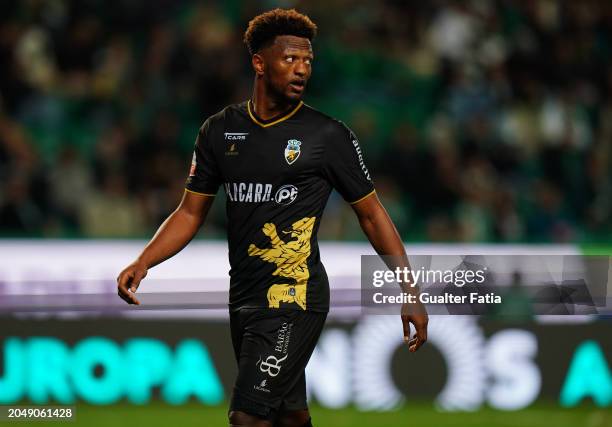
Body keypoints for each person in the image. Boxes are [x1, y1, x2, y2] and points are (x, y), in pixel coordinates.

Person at [117, 8, 428, 427]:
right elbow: (190, 212)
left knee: (248, 417)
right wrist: (144, 261)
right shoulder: (219, 131)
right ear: (259, 63)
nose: (302, 70)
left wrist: (409, 290)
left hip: (295, 298)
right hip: (243, 297)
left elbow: (371, 215)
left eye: (308, 62)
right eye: (290, 60)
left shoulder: (327, 136)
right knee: (290, 418)